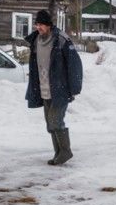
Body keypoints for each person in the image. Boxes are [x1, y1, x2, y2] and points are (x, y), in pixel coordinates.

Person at [25, 9, 83, 165]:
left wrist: (74, 87)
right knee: (50, 123)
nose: (38, 27)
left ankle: (66, 151)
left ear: (49, 25)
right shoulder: (36, 41)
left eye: (41, 24)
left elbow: (75, 64)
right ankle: (58, 152)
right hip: (44, 89)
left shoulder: (61, 40)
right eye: (37, 24)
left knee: (56, 120)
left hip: (60, 89)